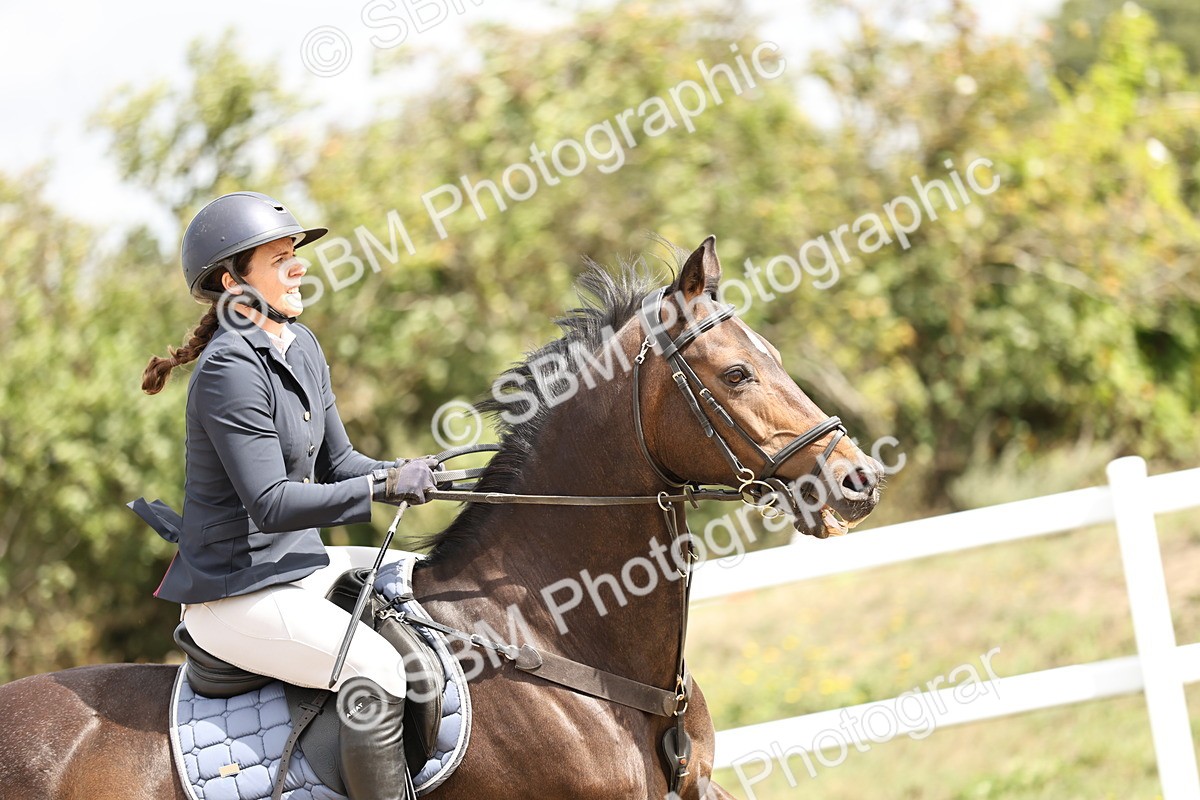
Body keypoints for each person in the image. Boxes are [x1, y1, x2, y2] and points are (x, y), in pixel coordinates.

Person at [133, 191, 433, 800]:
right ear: (232, 281)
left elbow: (341, 463)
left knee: (430, 581)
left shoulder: (301, 346)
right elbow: (269, 502)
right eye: (279, 258)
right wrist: (380, 486)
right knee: (375, 670)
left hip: (297, 567)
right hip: (236, 592)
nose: (299, 266)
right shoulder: (228, 370)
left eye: (294, 253)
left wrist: (419, 472)